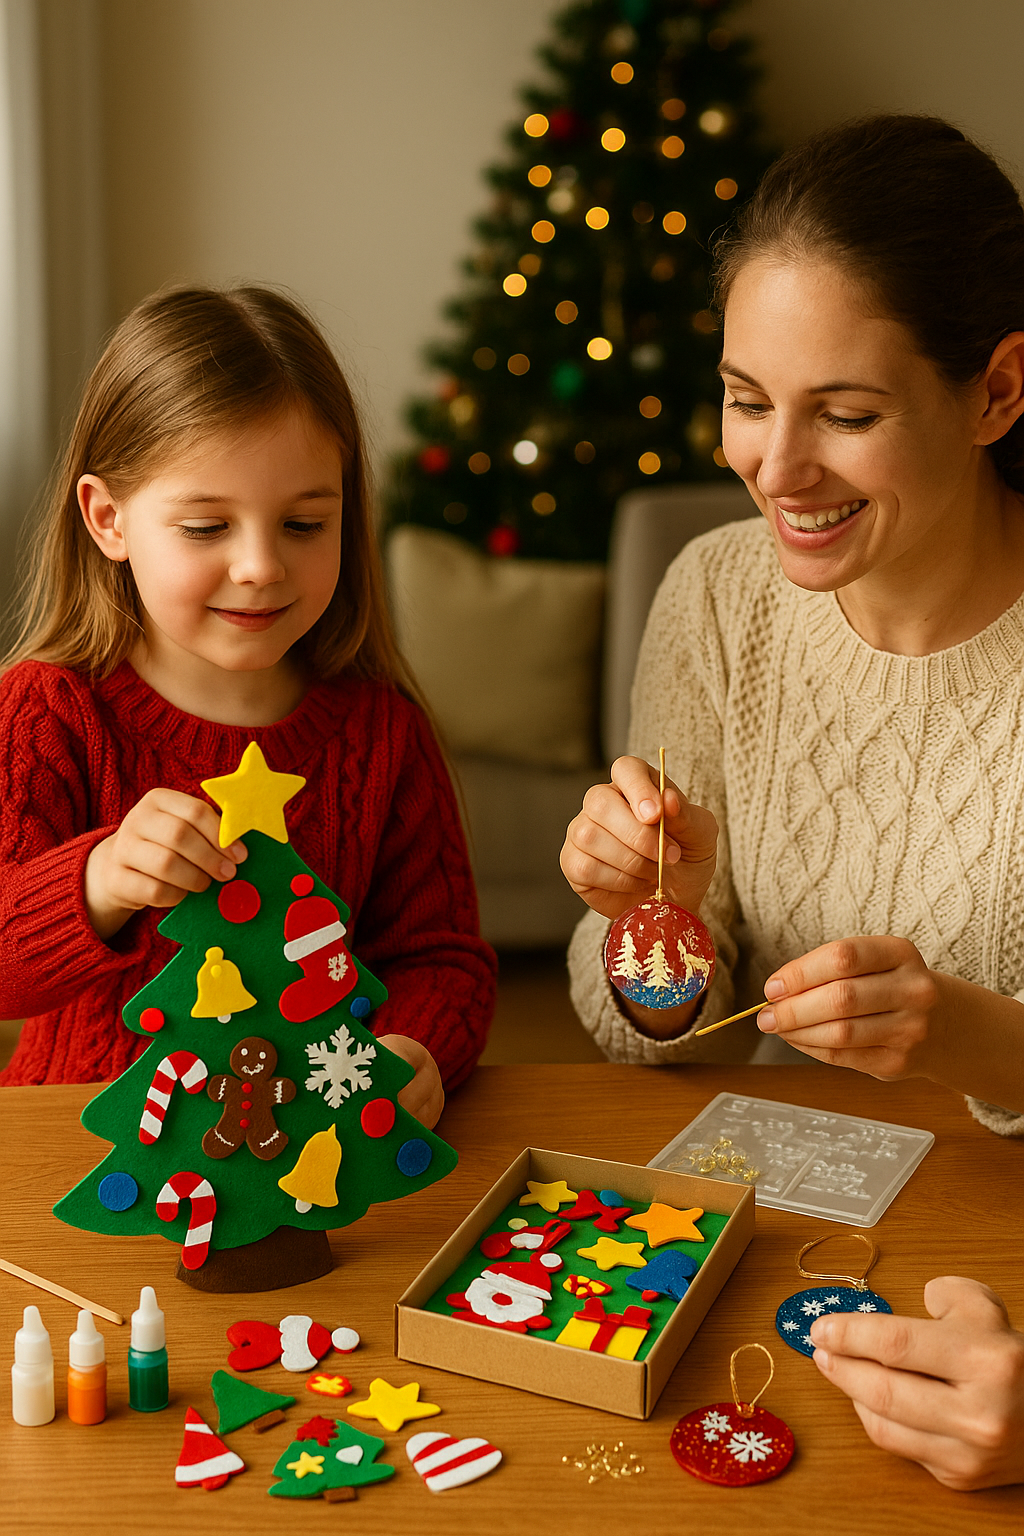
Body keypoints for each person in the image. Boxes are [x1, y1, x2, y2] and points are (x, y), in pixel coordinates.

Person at [560, 115, 1024, 1487]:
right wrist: (658, 925)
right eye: (747, 397)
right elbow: (654, 1035)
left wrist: (965, 1030)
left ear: (998, 391)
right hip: (783, 1263)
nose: (775, 466)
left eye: (848, 414)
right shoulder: (715, 597)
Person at [0, 284, 496, 1127]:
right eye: (206, 528)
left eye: (303, 525)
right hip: (71, 1151)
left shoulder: (380, 732)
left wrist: (414, 1048)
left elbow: (440, 960)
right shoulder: (47, 712)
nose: (261, 566)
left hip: (303, 1156)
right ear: (108, 519)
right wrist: (98, 880)